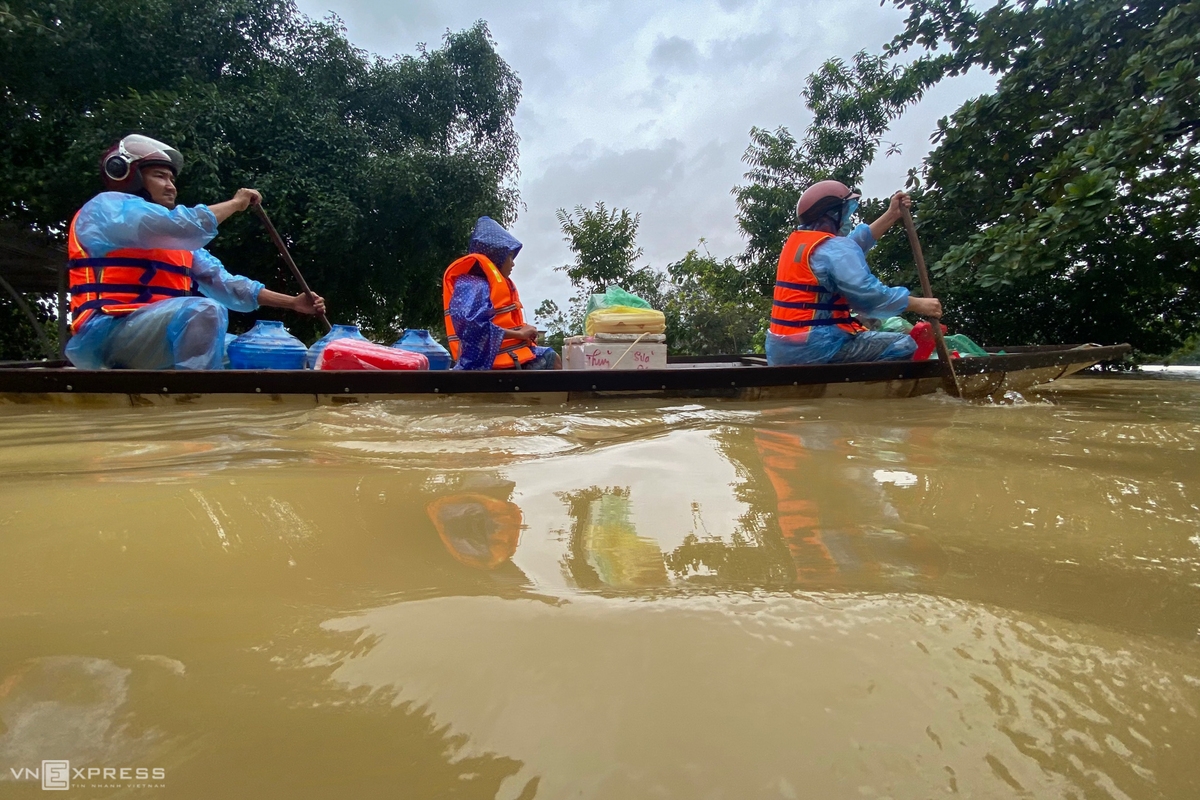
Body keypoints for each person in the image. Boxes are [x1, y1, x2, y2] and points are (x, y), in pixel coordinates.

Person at [65, 134, 325, 370]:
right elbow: (183, 226)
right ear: (124, 173)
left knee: (259, 352)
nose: (170, 186)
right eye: (159, 176)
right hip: (107, 337)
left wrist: (292, 302)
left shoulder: (175, 240)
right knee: (204, 311)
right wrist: (235, 204)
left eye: (171, 179)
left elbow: (224, 283)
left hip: (159, 335)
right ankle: (192, 400)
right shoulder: (105, 209)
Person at [765, 180, 942, 366]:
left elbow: (850, 247)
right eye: (846, 213)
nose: (848, 220)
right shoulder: (833, 248)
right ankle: (866, 391)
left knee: (866, 329)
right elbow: (869, 296)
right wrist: (918, 304)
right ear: (832, 215)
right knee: (903, 344)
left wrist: (891, 215)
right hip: (817, 349)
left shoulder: (801, 244)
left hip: (782, 350)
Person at [442, 216, 561, 370]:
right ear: (497, 256)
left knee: (552, 356)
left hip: (501, 354)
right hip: (483, 363)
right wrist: (519, 334)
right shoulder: (473, 285)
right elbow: (473, 329)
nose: (513, 263)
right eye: (510, 256)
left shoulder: (481, 283)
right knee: (551, 358)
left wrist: (523, 330)